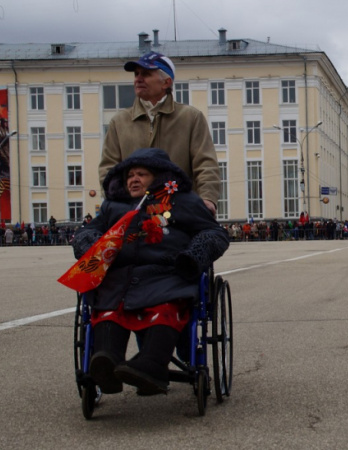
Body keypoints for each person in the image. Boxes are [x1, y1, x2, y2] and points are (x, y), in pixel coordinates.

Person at [72, 148, 229, 395]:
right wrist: (93, 246)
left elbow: (213, 233)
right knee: (108, 308)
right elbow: (86, 231)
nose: (133, 179)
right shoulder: (113, 205)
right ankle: (106, 364)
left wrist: (193, 256)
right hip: (120, 275)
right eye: (129, 175)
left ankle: (151, 366)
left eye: (141, 174)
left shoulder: (183, 201)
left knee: (166, 306)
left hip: (166, 273)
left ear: (158, 177)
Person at [99, 51, 220, 216]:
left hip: (180, 211)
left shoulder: (190, 118)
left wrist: (207, 198)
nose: (138, 79)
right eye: (136, 74)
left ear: (166, 82)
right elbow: (109, 169)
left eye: (146, 74)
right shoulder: (119, 122)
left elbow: (205, 163)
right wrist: (119, 202)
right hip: (132, 213)